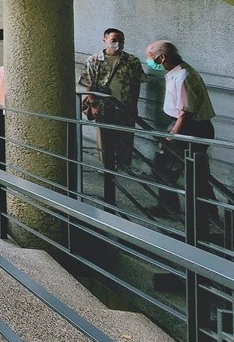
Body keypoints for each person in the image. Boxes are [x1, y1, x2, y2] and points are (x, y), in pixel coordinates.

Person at [145, 40, 219, 223]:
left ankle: (178, 210)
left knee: (167, 168)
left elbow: (187, 111)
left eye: (150, 56)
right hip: (186, 125)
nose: (149, 60)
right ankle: (208, 214)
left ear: (161, 57)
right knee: (196, 173)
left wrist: (173, 135)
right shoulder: (177, 72)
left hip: (191, 127)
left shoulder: (183, 76)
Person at [78, 28, 145, 172]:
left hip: (124, 106)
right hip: (103, 106)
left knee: (125, 137)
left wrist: (133, 105)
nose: (118, 44)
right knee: (104, 138)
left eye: (121, 41)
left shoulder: (132, 61)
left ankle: (124, 166)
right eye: (114, 40)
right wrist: (93, 105)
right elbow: (88, 84)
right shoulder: (94, 60)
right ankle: (107, 167)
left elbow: (136, 84)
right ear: (105, 40)